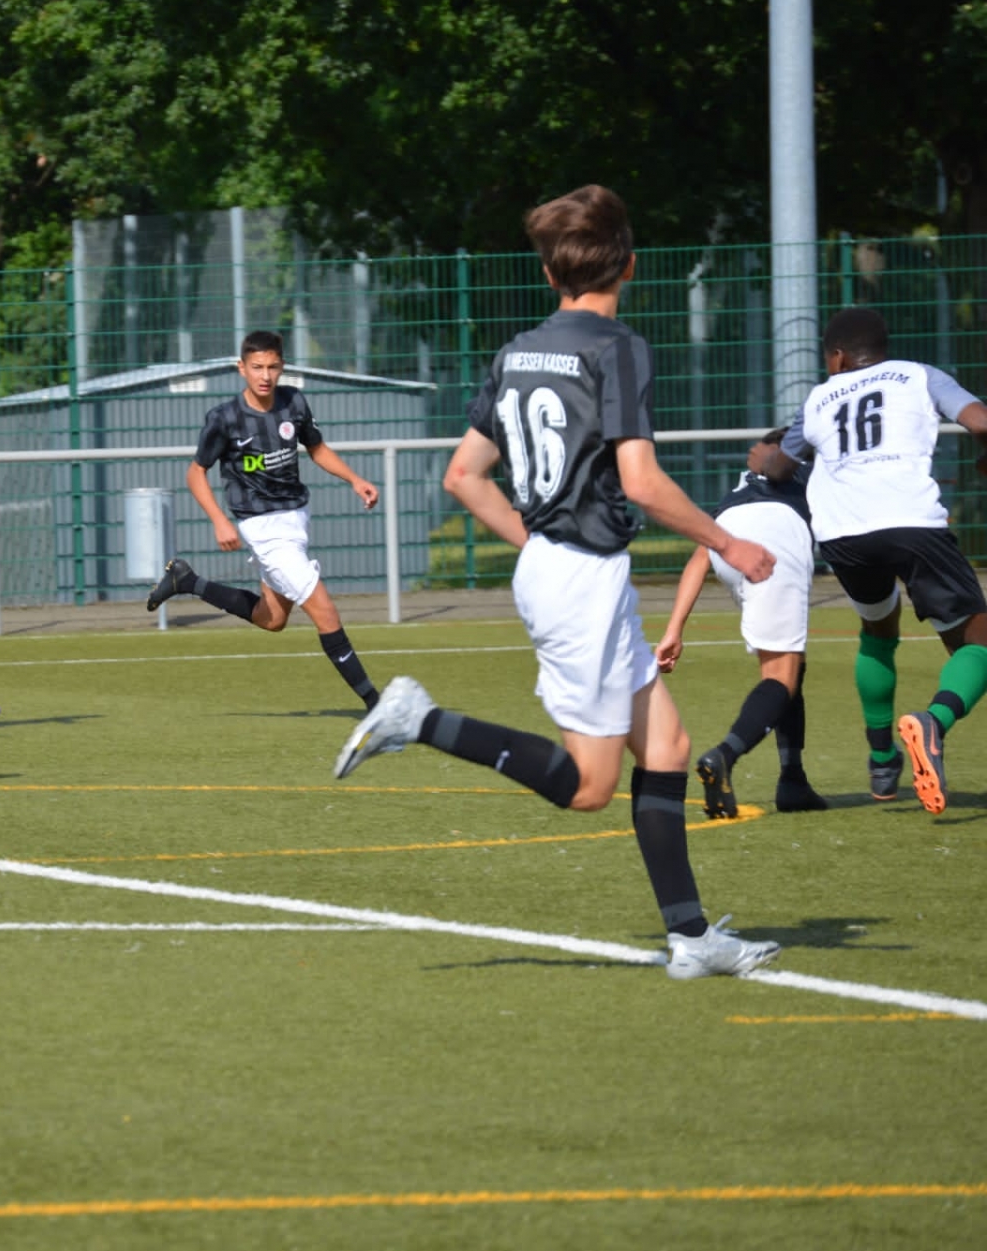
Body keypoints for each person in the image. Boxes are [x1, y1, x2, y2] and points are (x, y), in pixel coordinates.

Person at [333, 185, 781, 980]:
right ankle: (420, 719)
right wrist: (728, 542)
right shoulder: (618, 348)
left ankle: (691, 937)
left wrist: (539, 542)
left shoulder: (517, 351)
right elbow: (641, 482)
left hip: (562, 567)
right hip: (582, 580)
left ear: (548, 274)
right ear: (629, 265)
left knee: (668, 746)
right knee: (588, 788)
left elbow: (465, 475)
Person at [750, 306, 987, 815]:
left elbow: (782, 467)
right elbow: (981, 420)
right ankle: (934, 722)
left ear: (837, 357)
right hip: (910, 522)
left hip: (842, 534)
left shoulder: (819, 396)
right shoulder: (919, 375)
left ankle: (882, 762)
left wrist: (767, 460)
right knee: (977, 643)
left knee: (878, 629)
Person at [145, 329, 383, 709]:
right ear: (241, 368)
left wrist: (355, 479)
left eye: (272, 367)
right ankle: (376, 705)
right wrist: (219, 520)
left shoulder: (294, 402)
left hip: (297, 520)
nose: (265, 376)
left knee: (271, 619)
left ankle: (187, 581)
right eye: (257, 367)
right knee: (325, 611)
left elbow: (317, 449)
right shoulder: (224, 418)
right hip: (264, 529)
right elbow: (195, 473)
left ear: (282, 366)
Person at [655, 430, 828, 818]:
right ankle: (724, 755)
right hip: (775, 538)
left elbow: (701, 557)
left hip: (728, 540)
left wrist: (673, 630)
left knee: (789, 664)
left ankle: (793, 781)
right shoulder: (814, 471)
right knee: (780, 677)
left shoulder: (743, 487)